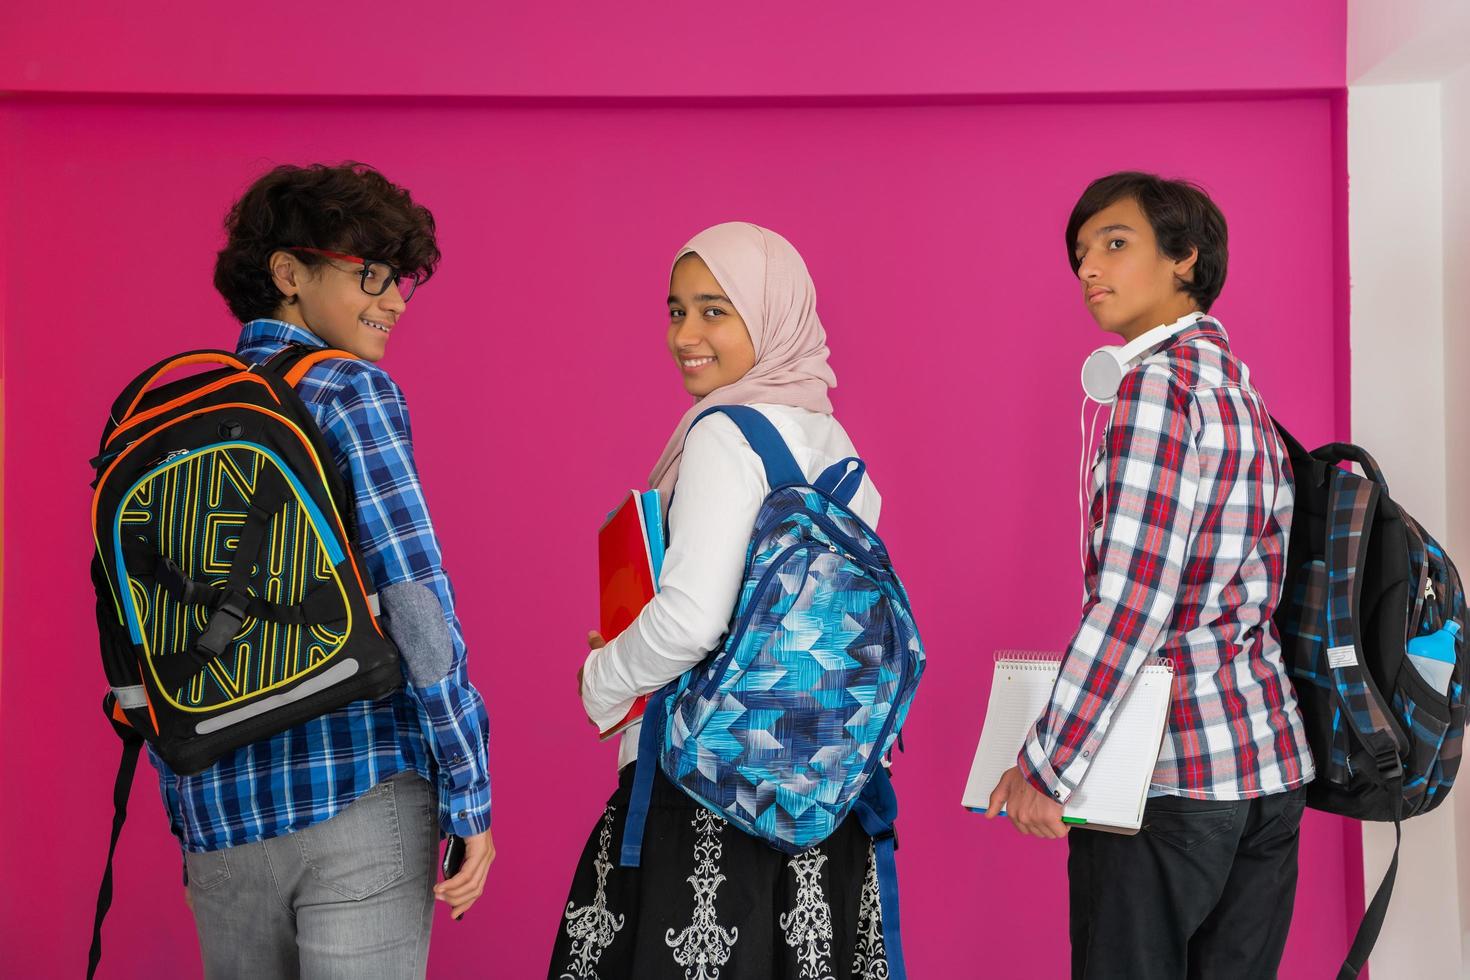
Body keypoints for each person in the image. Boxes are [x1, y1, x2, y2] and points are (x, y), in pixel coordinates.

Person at [155, 162, 494, 977]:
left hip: (216, 812)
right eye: (368, 273)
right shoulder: (349, 389)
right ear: (289, 275)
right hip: (354, 789)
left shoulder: (179, 414)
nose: (395, 299)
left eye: (401, 278)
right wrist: (468, 784)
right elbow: (414, 603)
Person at [985, 172, 1315, 979]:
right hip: (1266, 767)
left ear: (1185, 259)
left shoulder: (1157, 389)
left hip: (1165, 785)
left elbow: (1133, 602)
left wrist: (1047, 766)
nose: (1089, 268)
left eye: (1116, 243)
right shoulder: (1240, 392)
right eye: (1081, 252)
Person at [551, 222, 892, 979]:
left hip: (703, 784)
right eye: (677, 311)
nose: (686, 336)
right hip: (820, 798)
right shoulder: (838, 446)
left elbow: (692, 620)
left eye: (715, 310)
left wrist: (601, 676)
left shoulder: (722, 434)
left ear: (770, 315)